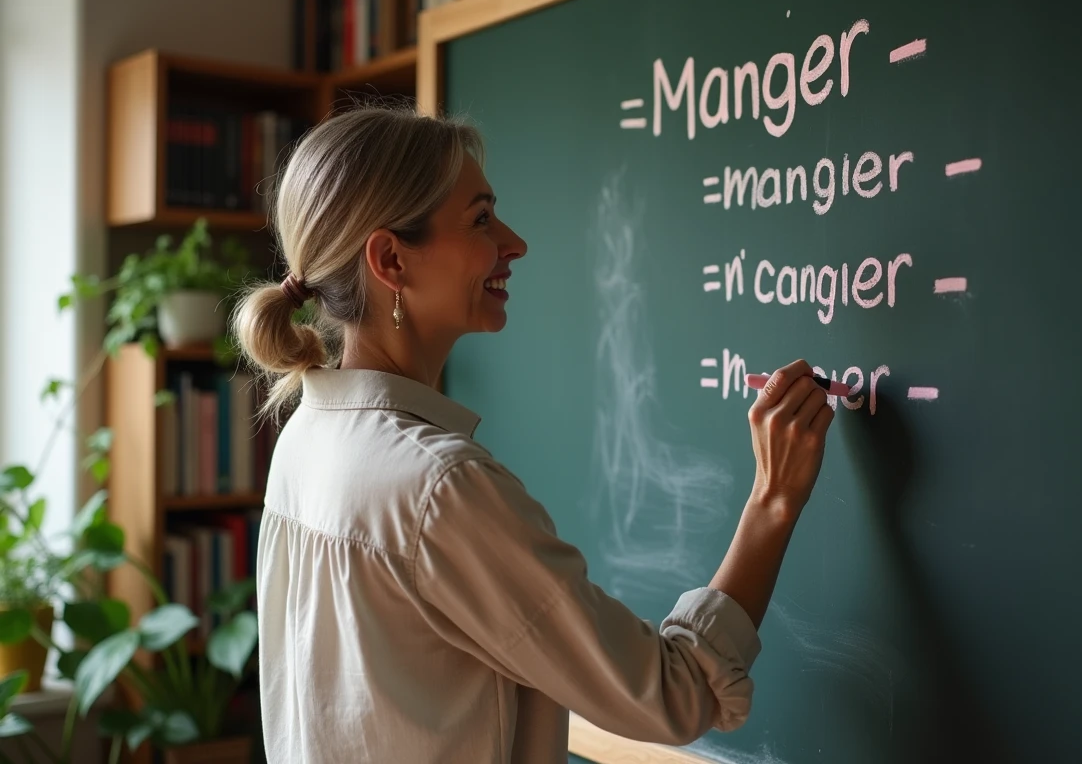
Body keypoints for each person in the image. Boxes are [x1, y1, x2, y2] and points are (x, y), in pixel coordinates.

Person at [233, 102, 836, 763]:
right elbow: (676, 694)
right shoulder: (438, 490)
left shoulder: (306, 438)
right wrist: (773, 503)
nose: (514, 243)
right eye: (482, 220)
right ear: (391, 261)